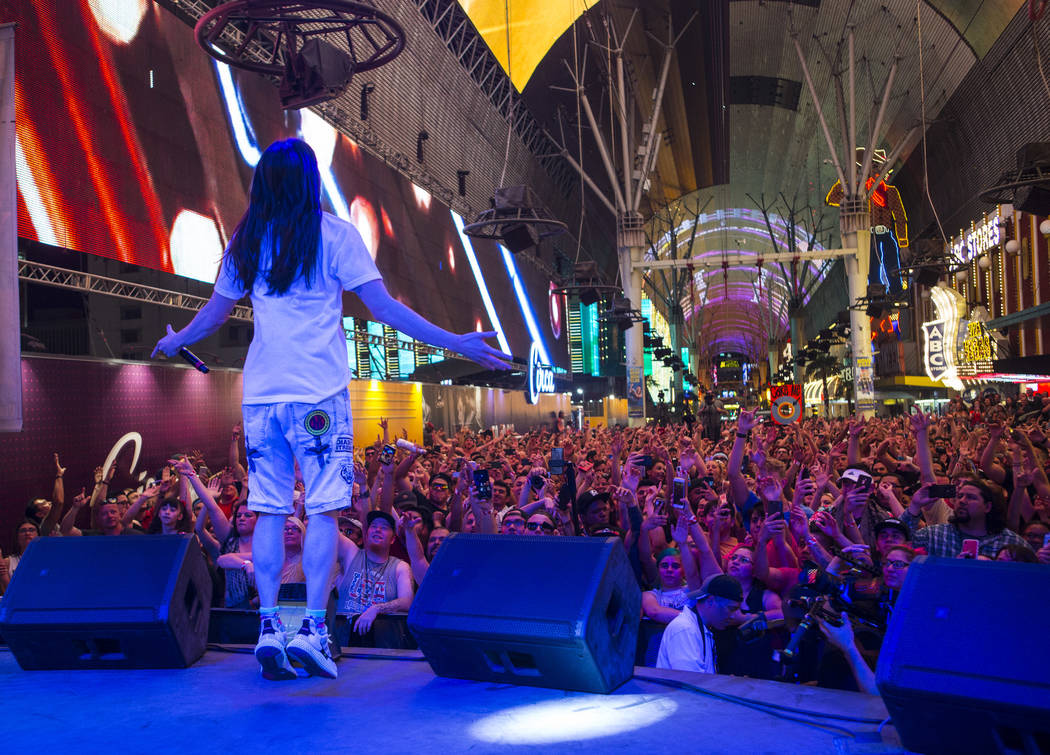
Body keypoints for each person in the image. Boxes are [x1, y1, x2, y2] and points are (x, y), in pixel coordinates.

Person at [151, 138, 509, 680]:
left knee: (269, 509)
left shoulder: (247, 243)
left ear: (262, 184)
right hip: (318, 399)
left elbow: (212, 317)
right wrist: (457, 343)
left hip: (262, 399)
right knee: (322, 510)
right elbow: (386, 309)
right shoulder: (336, 236)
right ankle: (315, 630)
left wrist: (177, 341)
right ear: (311, 181)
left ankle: (270, 625)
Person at [901, 479, 1033, 559]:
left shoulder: (1011, 542)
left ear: (987, 507)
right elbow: (899, 542)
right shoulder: (935, 535)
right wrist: (915, 505)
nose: (962, 501)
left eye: (971, 497)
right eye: (959, 496)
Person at [656, 574, 743, 673]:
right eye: (731, 609)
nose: (733, 616)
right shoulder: (685, 629)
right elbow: (691, 682)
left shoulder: (701, 626)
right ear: (710, 601)